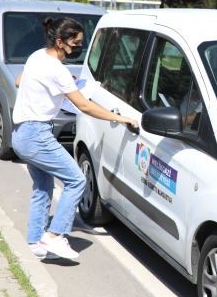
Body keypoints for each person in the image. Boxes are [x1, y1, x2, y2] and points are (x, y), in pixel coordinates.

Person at [12, 17, 137, 260]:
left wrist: (58, 85)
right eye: (76, 42)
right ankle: (55, 235)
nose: (79, 46)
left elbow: (19, 81)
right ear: (60, 42)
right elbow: (84, 106)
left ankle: (36, 241)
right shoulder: (56, 69)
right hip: (37, 135)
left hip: (21, 134)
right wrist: (119, 118)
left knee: (43, 187)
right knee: (77, 180)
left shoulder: (37, 56)